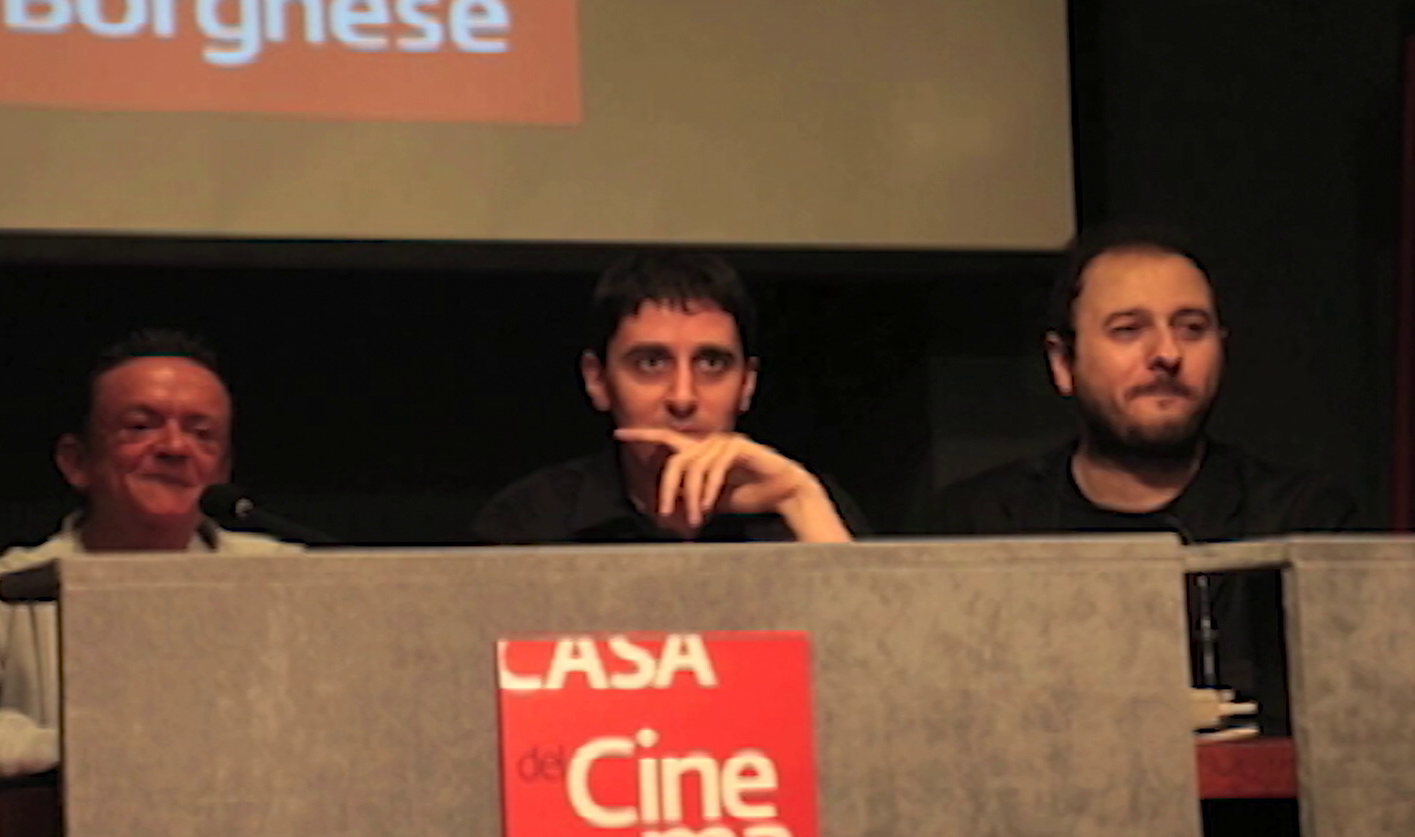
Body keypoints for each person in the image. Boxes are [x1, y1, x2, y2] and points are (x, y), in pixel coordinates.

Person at [0, 328, 298, 782]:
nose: (174, 448)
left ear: (222, 470)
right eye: (140, 427)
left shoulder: (288, 580)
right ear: (77, 461)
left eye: (202, 434)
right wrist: (79, 748)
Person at [929, 226, 1358, 541]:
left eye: (1191, 328)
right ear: (1063, 363)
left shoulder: (1301, 523)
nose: (1167, 354)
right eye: (1128, 330)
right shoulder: (983, 525)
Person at [473, 251, 861, 545]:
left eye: (711, 363)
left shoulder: (805, 502)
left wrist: (798, 500)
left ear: (747, 384)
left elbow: (872, 628)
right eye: (651, 363)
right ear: (598, 381)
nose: (682, 397)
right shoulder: (532, 519)